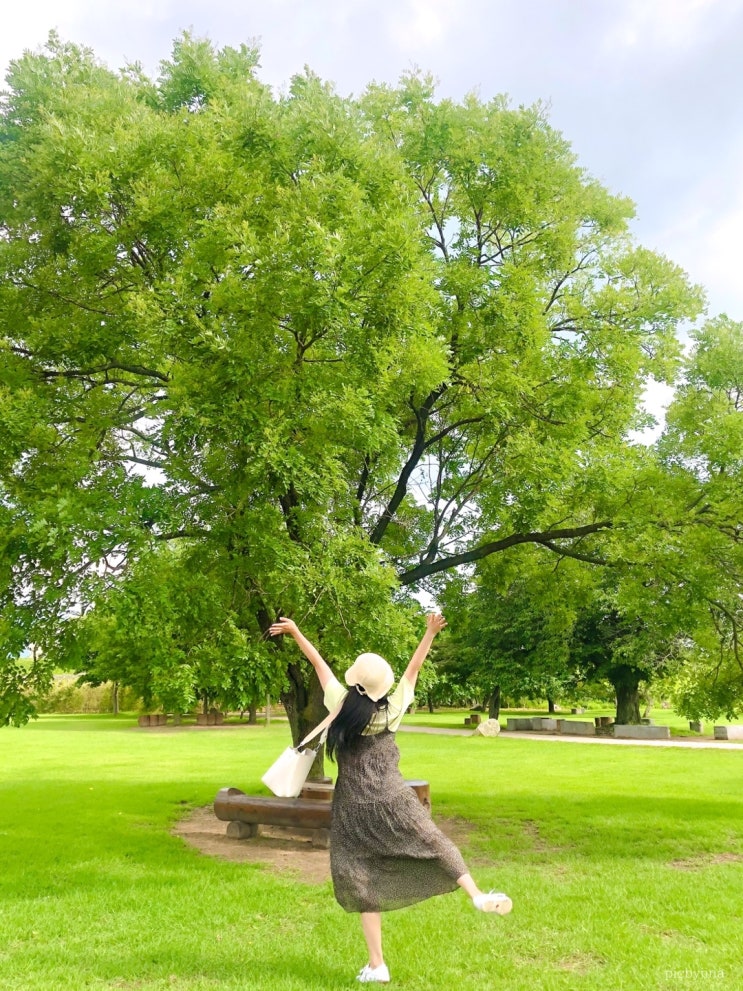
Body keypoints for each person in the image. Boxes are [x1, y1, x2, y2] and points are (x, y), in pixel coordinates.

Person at [269, 612, 512, 985]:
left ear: (355, 681)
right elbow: (414, 669)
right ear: (383, 686)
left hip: (352, 807)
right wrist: (430, 632)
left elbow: (317, 663)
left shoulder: (340, 704)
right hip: (393, 796)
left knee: (360, 876)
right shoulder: (394, 710)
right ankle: (477, 894)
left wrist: (297, 631)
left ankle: (377, 964)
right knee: (433, 841)